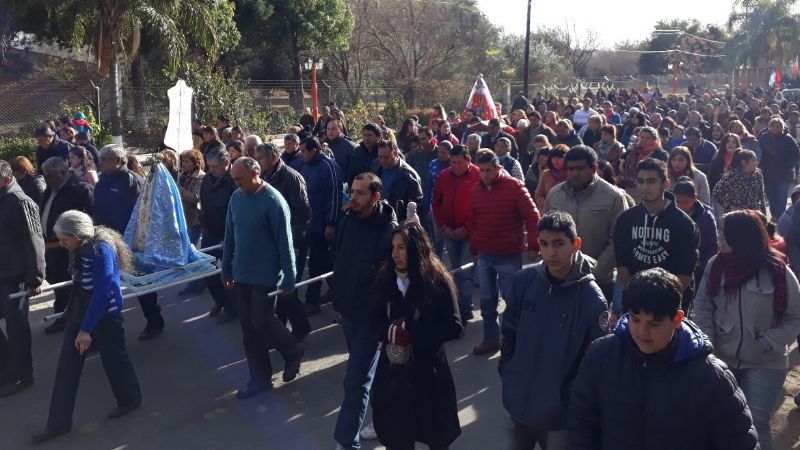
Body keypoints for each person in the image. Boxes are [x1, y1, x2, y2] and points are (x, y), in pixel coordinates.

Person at [569, 268, 759, 450]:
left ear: (677, 319)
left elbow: (740, 442)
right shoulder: (601, 357)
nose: (643, 332)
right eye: (635, 320)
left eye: (654, 323)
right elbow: (582, 426)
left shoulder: (711, 378)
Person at [31, 210, 142, 443]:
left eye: (65, 240)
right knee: (67, 366)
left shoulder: (101, 250)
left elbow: (101, 293)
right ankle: (58, 424)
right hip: (82, 311)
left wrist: (86, 329)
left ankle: (130, 399)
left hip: (105, 314)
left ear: (78, 235)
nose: (61, 244)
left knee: (114, 359)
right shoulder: (80, 247)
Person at [500, 210, 608, 450]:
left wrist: (571, 399)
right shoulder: (524, 281)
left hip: (559, 416)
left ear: (575, 244)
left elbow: (595, 361)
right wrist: (509, 371)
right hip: (519, 401)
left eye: (559, 244)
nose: (551, 252)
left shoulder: (591, 299)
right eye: (544, 244)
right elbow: (509, 330)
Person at [693, 210, 800, 450]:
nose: (719, 237)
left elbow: (796, 316)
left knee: (756, 422)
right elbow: (702, 306)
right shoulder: (716, 265)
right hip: (722, 359)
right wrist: (707, 346)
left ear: (741, 236)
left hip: (766, 362)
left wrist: (770, 341)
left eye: (724, 232)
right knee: (721, 421)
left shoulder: (778, 271)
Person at [370, 222, 462, 450]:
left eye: (402, 247)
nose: (395, 254)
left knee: (436, 435)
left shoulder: (436, 281)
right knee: (398, 436)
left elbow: (454, 326)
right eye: (393, 247)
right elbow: (374, 319)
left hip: (429, 373)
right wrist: (389, 331)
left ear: (416, 249)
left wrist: (412, 332)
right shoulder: (385, 280)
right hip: (394, 374)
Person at [222, 158, 304, 399]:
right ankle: (259, 378)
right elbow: (230, 235)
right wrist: (226, 269)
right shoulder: (236, 199)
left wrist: (289, 275)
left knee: (262, 320)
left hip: (266, 275)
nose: (237, 184)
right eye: (234, 180)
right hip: (242, 272)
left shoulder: (273, 201)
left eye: (241, 179)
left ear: (255, 173)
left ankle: (292, 351)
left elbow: (284, 242)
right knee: (248, 327)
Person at [332, 172, 397, 450]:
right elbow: (342, 261)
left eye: (360, 193)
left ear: (375, 196)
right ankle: (385, 422)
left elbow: (394, 277)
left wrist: (385, 317)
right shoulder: (347, 220)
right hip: (348, 313)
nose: (353, 198)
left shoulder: (389, 230)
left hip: (373, 317)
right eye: (353, 192)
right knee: (373, 375)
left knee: (355, 380)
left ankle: (347, 442)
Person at [467, 150, 540, 355]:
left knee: (513, 300)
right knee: (487, 300)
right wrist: (474, 247)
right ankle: (491, 339)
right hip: (485, 255)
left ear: (498, 168)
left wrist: (534, 245)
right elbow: (473, 222)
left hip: (508, 254)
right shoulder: (475, 191)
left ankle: (516, 341)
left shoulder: (514, 187)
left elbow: (533, 216)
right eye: (481, 170)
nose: (485, 174)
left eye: (489, 170)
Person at [93, 145, 165, 340]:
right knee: (105, 283)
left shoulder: (132, 181)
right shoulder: (101, 183)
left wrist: (134, 240)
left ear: (118, 161)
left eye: (105, 159)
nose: (100, 163)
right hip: (106, 241)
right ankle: (105, 331)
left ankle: (154, 321)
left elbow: (143, 214)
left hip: (130, 242)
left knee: (141, 284)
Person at [545, 145, 630, 302]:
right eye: (570, 169)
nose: (574, 173)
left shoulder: (614, 197)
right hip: (560, 278)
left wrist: (594, 273)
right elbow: (545, 233)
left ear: (594, 168)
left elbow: (618, 240)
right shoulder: (555, 194)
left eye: (580, 168)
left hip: (599, 281)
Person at [613, 158, 699, 312]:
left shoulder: (684, 223)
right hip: (635, 303)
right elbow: (622, 264)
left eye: (651, 181)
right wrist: (637, 296)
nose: (645, 187)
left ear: (665, 183)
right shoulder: (626, 219)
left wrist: (663, 301)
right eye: (640, 181)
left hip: (670, 305)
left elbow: (686, 273)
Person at [254, 142, 312, 340]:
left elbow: (303, 213)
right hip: (273, 239)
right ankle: (280, 330)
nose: (258, 162)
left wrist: (292, 241)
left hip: (292, 240)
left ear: (273, 158)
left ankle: (301, 327)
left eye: (261, 158)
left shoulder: (292, 178)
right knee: (279, 286)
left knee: (287, 288)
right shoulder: (265, 176)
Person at [0, 160, 44, 397]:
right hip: (2, 272)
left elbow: (34, 239)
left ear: (6, 179)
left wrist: (35, 277)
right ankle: (5, 370)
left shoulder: (21, 201)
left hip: (15, 276)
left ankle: (21, 376)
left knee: (17, 330)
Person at [39, 157, 94, 334]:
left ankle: (78, 325)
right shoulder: (51, 189)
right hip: (53, 249)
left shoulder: (80, 190)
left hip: (69, 250)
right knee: (58, 285)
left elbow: (92, 222)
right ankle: (63, 318)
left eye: (49, 176)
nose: (46, 180)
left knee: (72, 287)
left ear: (62, 173)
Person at [432, 145, 481, 323]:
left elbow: (481, 207)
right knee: (456, 272)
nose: (455, 166)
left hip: (469, 233)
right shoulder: (444, 176)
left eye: (459, 162)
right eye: (452, 162)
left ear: (468, 160)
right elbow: (436, 202)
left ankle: (465, 310)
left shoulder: (477, 175)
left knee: (465, 271)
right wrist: (443, 227)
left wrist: (466, 229)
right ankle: (459, 306)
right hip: (449, 232)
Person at [297, 137, 343, 316]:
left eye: (303, 151)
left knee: (317, 262)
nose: (301, 155)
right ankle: (338, 290)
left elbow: (335, 197)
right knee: (323, 261)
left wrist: (331, 223)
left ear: (313, 150)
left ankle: (312, 300)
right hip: (310, 223)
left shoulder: (329, 167)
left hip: (323, 224)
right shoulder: (305, 165)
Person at [673, 178, 718, 291]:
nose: (681, 206)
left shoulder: (706, 218)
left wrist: (702, 266)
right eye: (677, 202)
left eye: (685, 203)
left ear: (695, 198)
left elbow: (712, 246)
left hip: (698, 268)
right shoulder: (669, 215)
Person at [372, 140, 423, 222]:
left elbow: (417, 203)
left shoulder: (409, 175)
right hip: (377, 217)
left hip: (397, 221)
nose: (382, 160)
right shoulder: (375, 166)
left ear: (395, 154)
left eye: (386, 157)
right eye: (380, 157)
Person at [759, 117, 800, 218]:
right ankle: (774, 216)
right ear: (769, 126)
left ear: (782, 127)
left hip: (784, 174)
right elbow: (759, 153)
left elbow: (796, 153)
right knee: (771, 198)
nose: (775, 128)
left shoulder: (788, 138)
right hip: (768, 173)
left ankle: (780, 218)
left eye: (778, 126)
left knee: (781, 198)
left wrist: (789, 164)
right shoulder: (763, 138)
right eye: (773, 125)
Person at [712, 149, 767, 218]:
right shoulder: (731, 176)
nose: (756, 163)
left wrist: (763, 215)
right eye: (753, 161)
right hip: (735, 216)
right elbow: (716, 193)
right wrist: (730, 206)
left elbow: (761, 195)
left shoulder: (758, 175)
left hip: (753, 215)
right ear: (743, 162)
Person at [178, 150, 205, 250]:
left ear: (196, 163)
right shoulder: (181, 176)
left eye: (187, 161)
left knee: (188, 248)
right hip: (182, 218)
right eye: (183, 161)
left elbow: (195, 197)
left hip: (193, 220)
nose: (183, 164)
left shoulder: (201, 177)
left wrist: (179, 189)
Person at [534, 145, 567, 209]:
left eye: (559, 157)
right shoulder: (546, 174)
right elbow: (538, 194)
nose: (555, 160)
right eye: (553, 157)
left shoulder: (572, 174)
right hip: (549, 212)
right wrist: (547, 205)